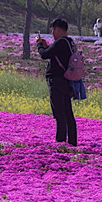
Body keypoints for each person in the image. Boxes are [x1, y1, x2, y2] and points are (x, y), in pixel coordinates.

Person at [36, 17, 77, 146]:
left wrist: (39, 45)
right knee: (68, 113)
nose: (52, 33)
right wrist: (47, 47)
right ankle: (72, 142)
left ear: (58, 29)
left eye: (53, 30)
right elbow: (55, 54)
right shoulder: (70, 42)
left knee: (59, 113)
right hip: (66, 81)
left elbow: (44, 54)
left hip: (57, 81)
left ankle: (60, 142)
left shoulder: (60, 43)